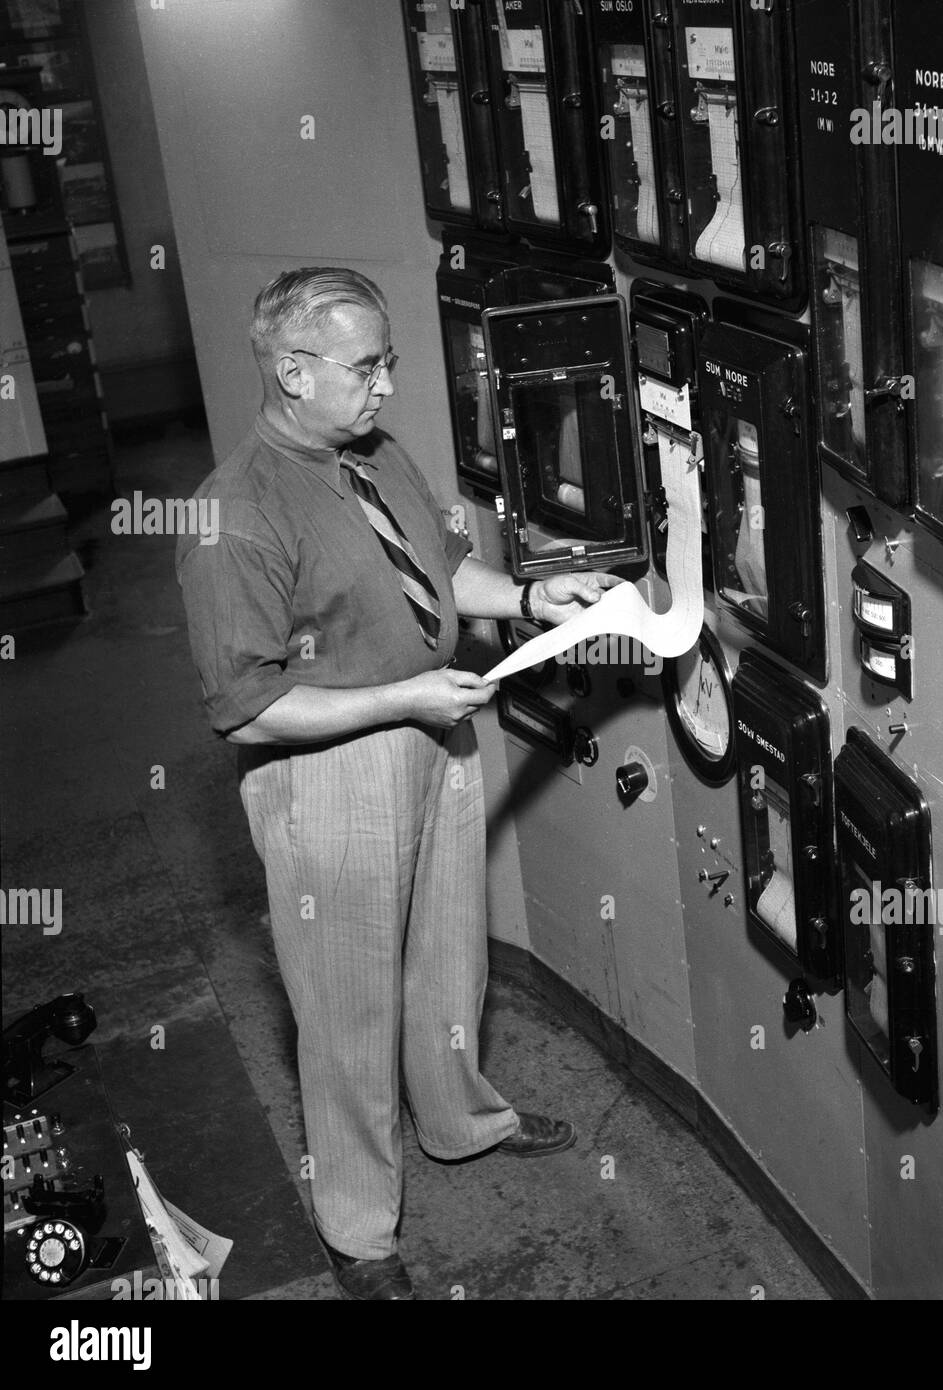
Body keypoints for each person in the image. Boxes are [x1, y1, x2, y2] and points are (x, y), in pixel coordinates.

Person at [176, 267, 617, 1300]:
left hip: (433, 731)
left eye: (388, 362)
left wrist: (527, 595)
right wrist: (403, 704)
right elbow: (248, 706)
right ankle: (359, 1229)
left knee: (445, 955)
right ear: (292, 371)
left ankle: (460, 1116)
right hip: (330, 766)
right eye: (366, 366)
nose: (385, 386)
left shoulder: (372, 453)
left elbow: (441, 566)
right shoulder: (229, 514)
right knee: (344, 1011)